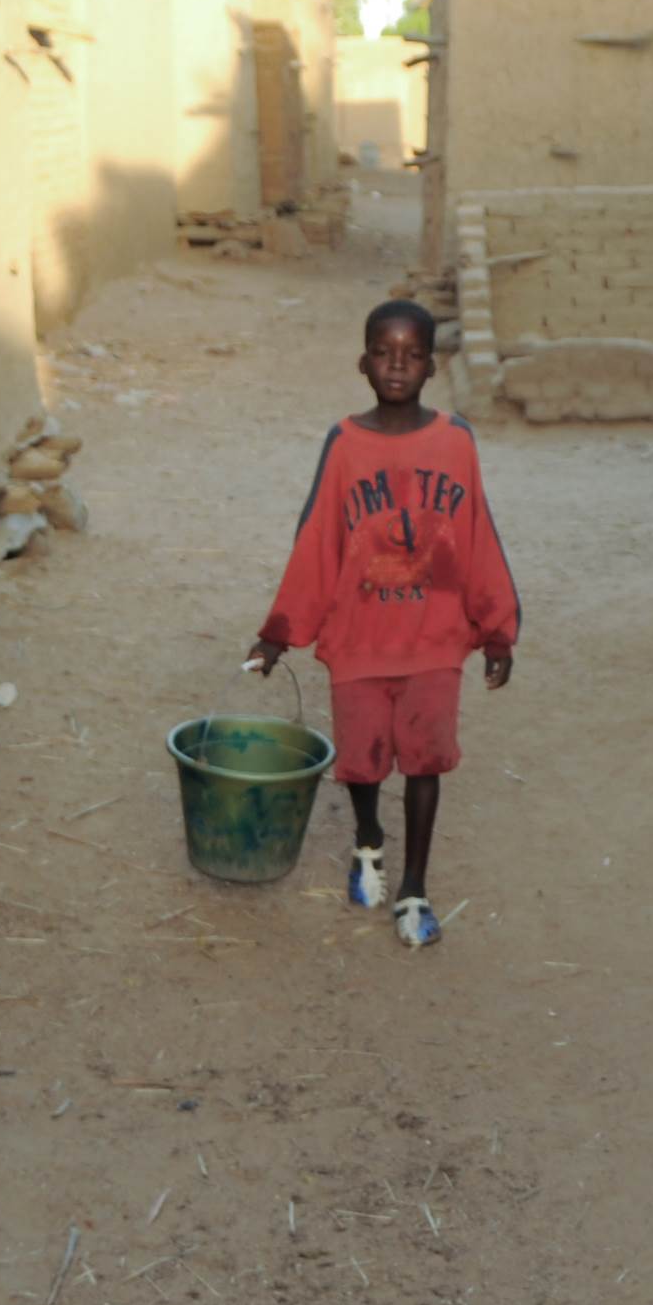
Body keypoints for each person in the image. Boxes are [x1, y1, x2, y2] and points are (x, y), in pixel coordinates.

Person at [245, 299, 518, 948]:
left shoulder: (455, 441)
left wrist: (496, 629)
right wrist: (279, 632)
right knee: (363, 766)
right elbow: (317, 542)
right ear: (363, 362)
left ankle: (415, 887)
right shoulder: (344, 444)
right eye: (384, 352)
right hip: (361, 640)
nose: (397, 364)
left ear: (431, 365)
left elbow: (478, 535)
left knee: (425, 764)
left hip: (433, 640)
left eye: (412, 353)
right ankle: (369, 841)